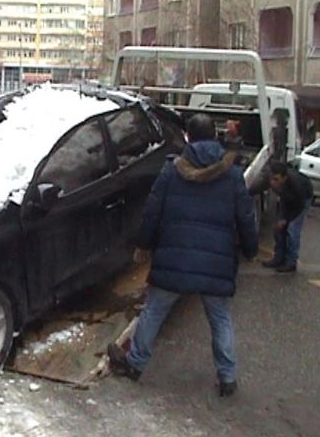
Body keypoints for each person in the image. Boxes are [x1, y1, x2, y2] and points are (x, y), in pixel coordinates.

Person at [107, 114, 258, 397]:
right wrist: (250, 249)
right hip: (216, 261)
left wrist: (144, 244)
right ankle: (227, 378)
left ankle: (135, 364)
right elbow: (245, 218)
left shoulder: (173, 170)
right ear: (215, 135)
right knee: (220, 319)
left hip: (174, 259)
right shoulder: (233, 174)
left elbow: (153, 211)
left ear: (188, 137)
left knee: (154, 310)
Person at [260, 162, 313, 273]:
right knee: (278, 230)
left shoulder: (296, 185)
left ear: (284, 178)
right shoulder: (273, 181)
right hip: (286, 200)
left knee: (293, 229)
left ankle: (291, 262)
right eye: (272, 179)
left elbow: (299, 205)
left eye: (276, 179)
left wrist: (286, 219)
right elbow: (283, 201)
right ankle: (278, 258)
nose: (273, 182)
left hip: (302, 199)